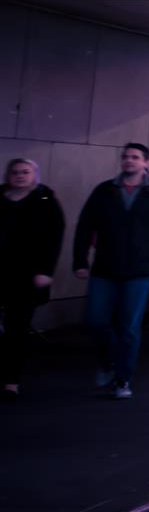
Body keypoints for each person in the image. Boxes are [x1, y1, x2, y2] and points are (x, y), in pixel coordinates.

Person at [72, 144, 149, 398]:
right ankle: (107, 363)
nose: (129, 161)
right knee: (96, 320)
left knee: (129, 326)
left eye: (135, 157)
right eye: (126, 157)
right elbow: (85, 226)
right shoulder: (105, 191)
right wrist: (79, 261)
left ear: (146, 163)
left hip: (140, 269)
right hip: (105, 267)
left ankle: (123, 378)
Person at [1, 159, 65, 399]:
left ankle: (11, 380)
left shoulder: (45, 202)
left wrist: (45, 270)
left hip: (25, 274)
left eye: (25, 172)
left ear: (34, 176)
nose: (19, 176)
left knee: (16, 328)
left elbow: (53, 238)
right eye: (15, 172)